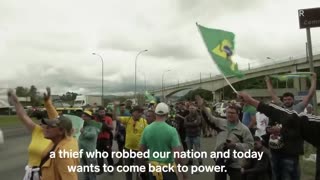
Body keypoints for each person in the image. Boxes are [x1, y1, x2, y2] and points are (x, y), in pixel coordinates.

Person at [265, 73, 316, 180]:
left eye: (289, 99)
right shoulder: (280, 107)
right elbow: (272, 93)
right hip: (277, 148)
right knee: (277, 174)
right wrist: (268, 81)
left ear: (293, 100)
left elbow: (310, 95)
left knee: (292, 174)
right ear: (282, 101)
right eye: (285, 100)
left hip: (292, 148)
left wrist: (314, 79)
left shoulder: (298, 108)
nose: (287, 101)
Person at [196, 95, 254, 180]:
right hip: (220, 160)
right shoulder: (220, 123)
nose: (230, 115)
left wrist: (236, 145)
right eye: (228, 112)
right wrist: (202, 107)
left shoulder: (244, 129)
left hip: (236, 163)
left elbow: (250, 146)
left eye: (232, 113)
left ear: (238, 114)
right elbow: (209, 118)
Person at [7, 88, 57, 180]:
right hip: (30, 173)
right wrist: (16, 101)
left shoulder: (55, 136)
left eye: (44, 121)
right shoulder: (37, 130)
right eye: (40, 121)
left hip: (45, 174)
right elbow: (23, 116)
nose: (40, 123)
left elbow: (55, 118)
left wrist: (47, 103)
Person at [140, 102, 187, 180]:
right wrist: (183, 173)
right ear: (167, 114)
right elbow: (178, 157)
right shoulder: (172, 130)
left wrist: (141, 170)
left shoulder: (147, 129)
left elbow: (141, 153)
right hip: (168, 170)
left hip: (153, 171)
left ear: (155, 114)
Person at [113, 102, 148, 180]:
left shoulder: (144, 121)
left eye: (141, 112)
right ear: (133, 112)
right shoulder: (128, 119)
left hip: (139, 151)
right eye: (138, 112)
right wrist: (115, 107)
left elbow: (148, 135)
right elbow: (115, 118)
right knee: (128, 169)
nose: (140, 114)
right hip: (128, 149)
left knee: (139, 170)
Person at [40, 115, 79, 180]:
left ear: (61, 131)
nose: (46, 128)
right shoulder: (60, 141)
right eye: (46, 126)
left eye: (51, 126)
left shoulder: (63, 154)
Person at [79, 110, 102, 180]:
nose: (83, 118)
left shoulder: (93, 125)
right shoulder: (83, 125)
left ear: (89, 117)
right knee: (85, 170)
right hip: (82, 152)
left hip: (90, 152)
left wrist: (84, 132)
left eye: (85, 116)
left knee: (91, 171)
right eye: (82, 116)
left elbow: (92, 135)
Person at [94, 106, 114, 174]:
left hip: (106, 140)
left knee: (108, 155)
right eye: (100, 112)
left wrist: (105, 124)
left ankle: (111, 169)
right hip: (98, 139)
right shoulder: (96, 119)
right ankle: (100, 169)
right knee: (99, 155)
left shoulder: (108, 118)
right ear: (98, 112)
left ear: (105, 112)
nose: (102, 113)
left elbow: (112, 128)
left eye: (103, 112)